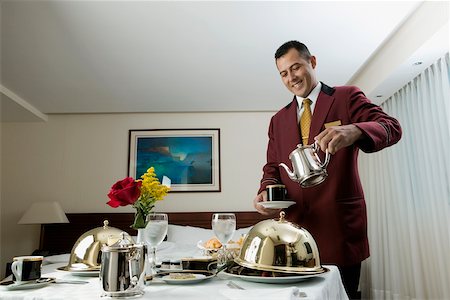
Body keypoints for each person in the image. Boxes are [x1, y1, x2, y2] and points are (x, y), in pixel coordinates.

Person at [253, 41, 402, 299]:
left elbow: (391, 127)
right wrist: (265, 191)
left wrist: (354, 130)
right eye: (284, 73)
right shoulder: (278, 120)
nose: (291, 77)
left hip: (339, 228)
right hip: (293, 234)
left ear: (312, 62)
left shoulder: (346, 97)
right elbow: (272, 167)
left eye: (295, 67)